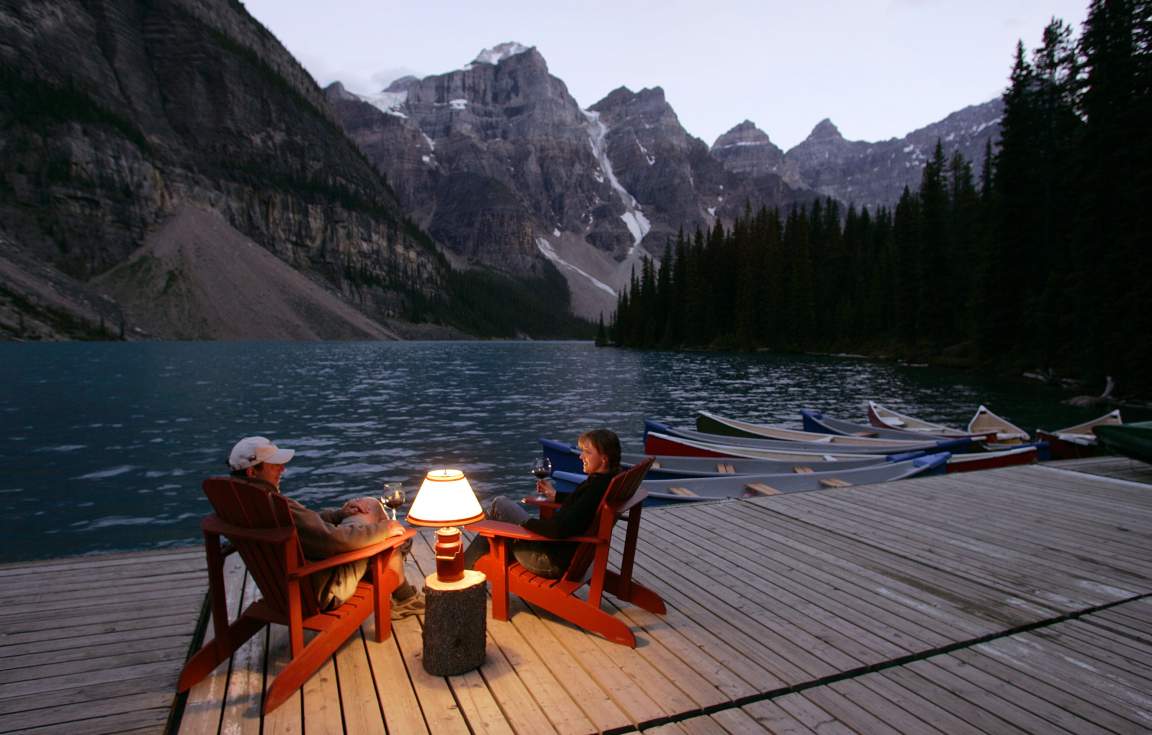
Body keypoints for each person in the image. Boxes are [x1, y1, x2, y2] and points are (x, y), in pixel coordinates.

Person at [227, 436, 424, 617]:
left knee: (370, 508)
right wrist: (384, 531)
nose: (282, 469)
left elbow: (305, 528)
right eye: (274, 465)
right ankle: (403, 591)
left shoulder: (239, 504)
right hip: (323, 586)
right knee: (381, 524)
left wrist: (339, 514)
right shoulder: (276, 505)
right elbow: (333, 540)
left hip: (283, 587)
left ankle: (401, 581)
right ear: (253, 471)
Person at [462, 428, 622, 578]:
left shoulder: (595, 488)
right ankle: (463, 567)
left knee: (499, 506)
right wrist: (556, 495)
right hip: (565, 552)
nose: (581, 456)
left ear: (604, 459)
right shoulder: (606, 482)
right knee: (496, 519)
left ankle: (460, 570)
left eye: (587, 452)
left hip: (548, 558)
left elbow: (558, 530)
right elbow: (582, 505)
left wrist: (525, 523)